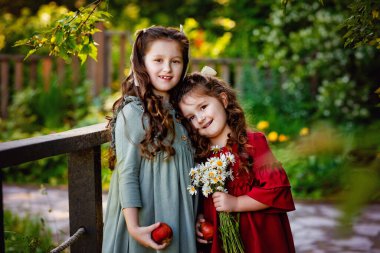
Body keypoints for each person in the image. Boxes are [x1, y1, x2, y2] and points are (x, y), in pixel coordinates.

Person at [171, 68, 296, 253]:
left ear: (223, 100)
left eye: (203, 107)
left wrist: (237, 203)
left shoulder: (253, 143)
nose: (200, 118)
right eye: (191, 117)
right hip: (222, 239)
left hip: (258, 237)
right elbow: (203, 200)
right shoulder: (200, 156)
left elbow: (276, 189)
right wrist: (200, 220)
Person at [102, 26, 198, 253]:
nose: (167, 68)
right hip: (146, 220)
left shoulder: (183, 110)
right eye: (158, 60)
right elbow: (127, 172)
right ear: (142, 63)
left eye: (175, 61)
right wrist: (134, 228)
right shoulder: (135, 112)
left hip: (180, 218)